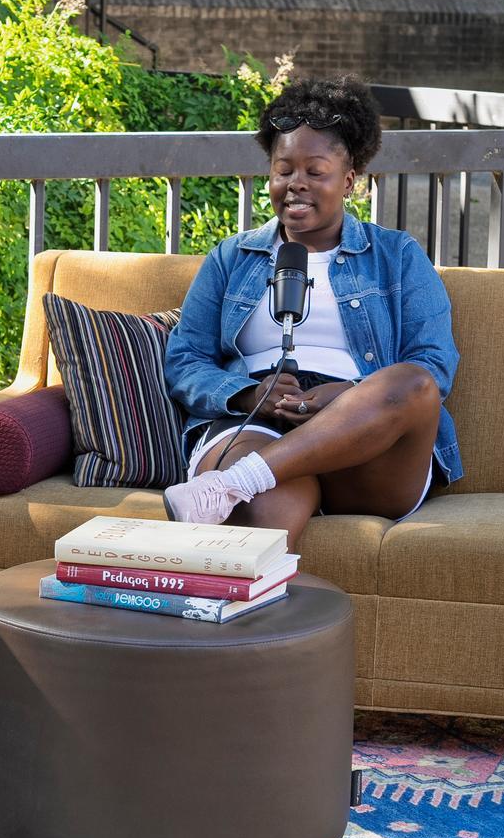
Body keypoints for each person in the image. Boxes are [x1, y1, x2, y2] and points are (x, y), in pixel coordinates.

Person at [160, 71, 459, 544]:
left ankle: (230, 485)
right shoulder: (232, 257)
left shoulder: (396, 255)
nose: (296, 184)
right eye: (284, 171)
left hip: (365, 440)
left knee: (414, 383)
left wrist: (347, 394)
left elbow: (434, 365)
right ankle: (254, 570)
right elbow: (184, 358)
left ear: (349, 180)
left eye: (315, 172)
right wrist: (244, 393)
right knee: (263, 515)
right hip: (254, 420)